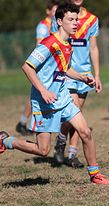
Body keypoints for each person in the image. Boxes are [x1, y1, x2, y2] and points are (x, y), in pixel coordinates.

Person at [0, 2, 109, 185]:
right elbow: (27, 67)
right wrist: (43, 91)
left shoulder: (68, 44)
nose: (75, 23)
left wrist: (84, 78)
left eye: (76, 19)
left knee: (85, 132)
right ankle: (6, 141)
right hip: (44, 101)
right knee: (43, 150)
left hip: (63, 97)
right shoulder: (49, 43)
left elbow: (65, 68)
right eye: (71, 19)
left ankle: (95, 174)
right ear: (59, 21)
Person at [52, 0, 102, 168]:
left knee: (78, 111)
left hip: (85, 73)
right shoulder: (61, 17)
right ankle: (60, 141)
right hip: (68, 71)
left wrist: (97, 74)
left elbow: (93, 48)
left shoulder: (92, 19)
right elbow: (54, 42)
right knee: (73, 109)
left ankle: (71, 153)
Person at [15, 0, 60, 136]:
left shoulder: (57, 24)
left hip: (52, 64)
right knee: (38, 93)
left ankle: (24, 123)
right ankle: (26, 123)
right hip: (43, 65)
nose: (55, 13)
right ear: (48, 11)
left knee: (40, 93)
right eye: (54, 10)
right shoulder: (43, 26)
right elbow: (40, 45)